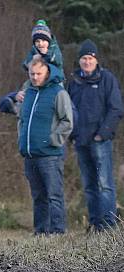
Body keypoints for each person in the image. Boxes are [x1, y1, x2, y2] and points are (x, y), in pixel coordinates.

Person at [66, 39, 123, 231]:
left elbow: (116, 109)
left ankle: (109, 226)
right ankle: (95, 224)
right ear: (79, 60)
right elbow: (68, 111)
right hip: (80, 142)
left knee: (104, 184)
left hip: (100, 141)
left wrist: (102, 134)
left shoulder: (107, 79)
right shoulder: (74, 82)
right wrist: (72, 135)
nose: (87, 61)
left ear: (96, 59)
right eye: (83, 58)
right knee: (89, 186)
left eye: (90, 58)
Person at [18, 56, 73, 235]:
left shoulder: (58, 92)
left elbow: (67, 122)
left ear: (47, 71)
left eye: (38, 73)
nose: (34, 77)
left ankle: (58, 232)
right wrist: (22, 139)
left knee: (54, 196)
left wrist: (52, 140)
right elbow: (22, 119)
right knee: (38, 197)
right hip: (30, 154)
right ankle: (40, 232)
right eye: (32, 73)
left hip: (50, 155)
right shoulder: (29, 92)